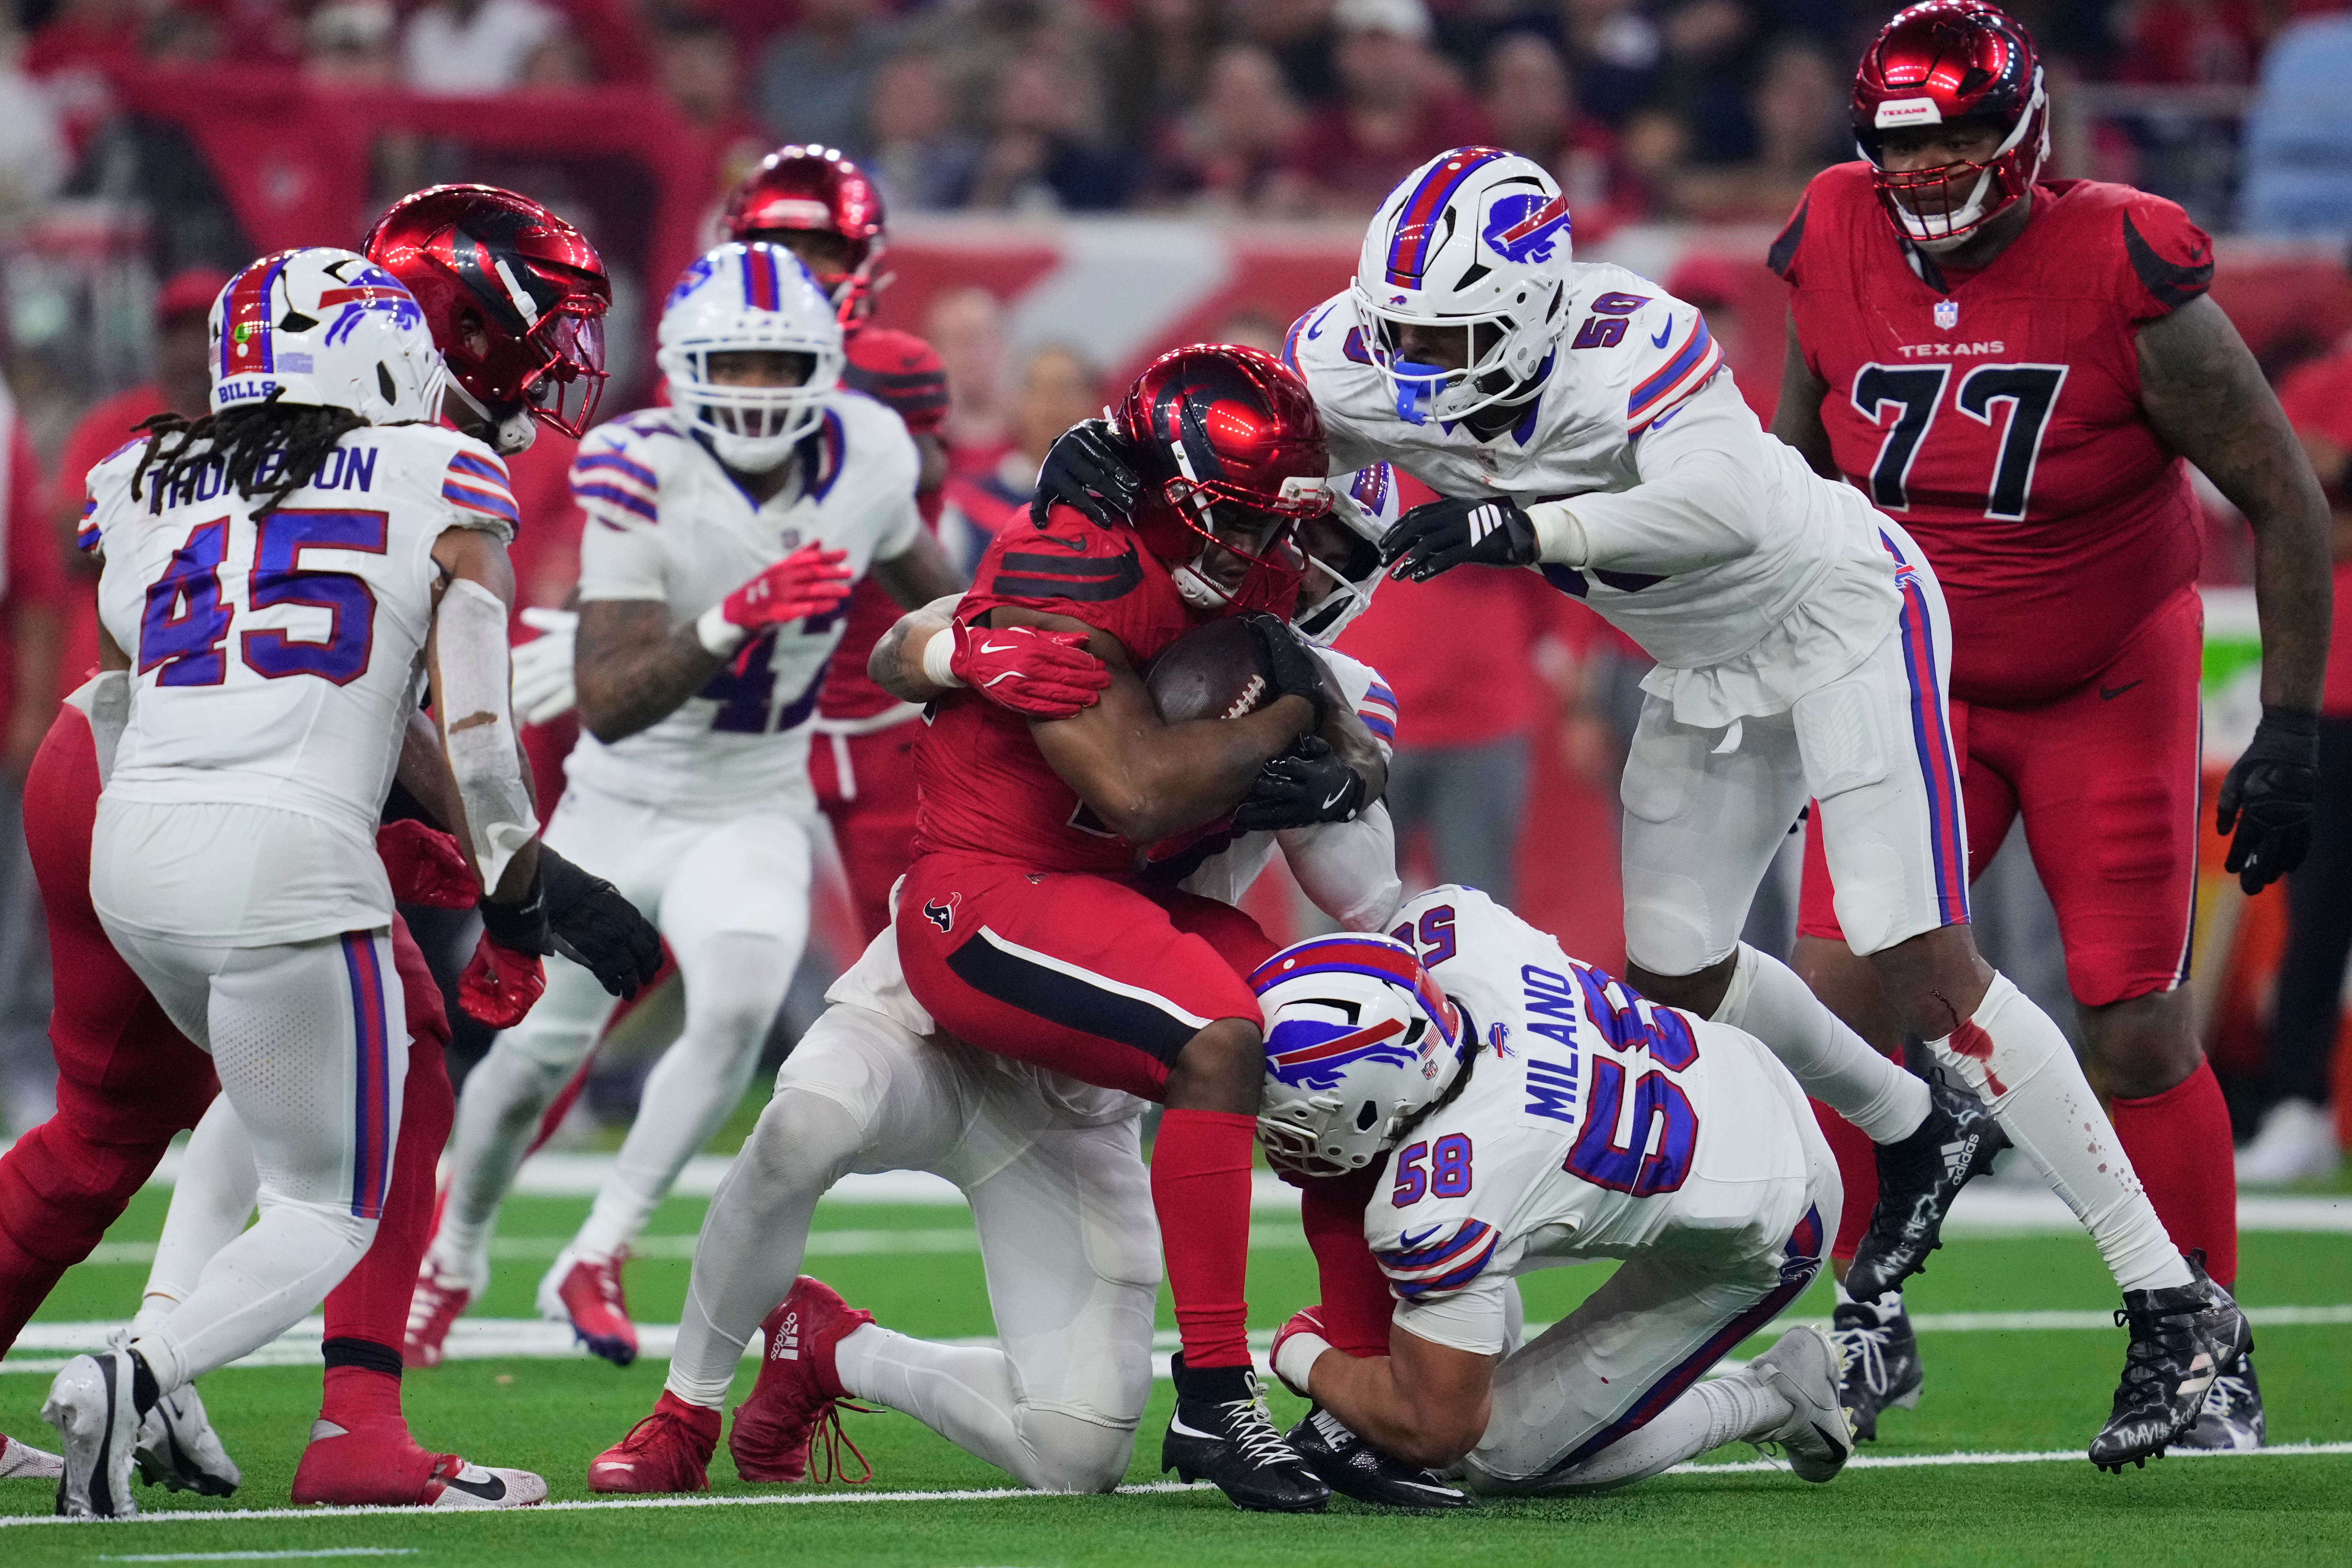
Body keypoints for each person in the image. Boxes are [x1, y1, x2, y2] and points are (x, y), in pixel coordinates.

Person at [1034, 142, 2247, 1470]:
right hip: (1695, 662)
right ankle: (1913, 1127)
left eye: (1445, 332)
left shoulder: (1629, 338)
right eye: (1399, 330)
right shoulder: (1366, 350)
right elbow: (1243, 417)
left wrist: (1524, 531)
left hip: (1838, 609)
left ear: (1526, 308)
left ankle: (2164, 1298)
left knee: (1926, 965)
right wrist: (1111, 446)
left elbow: (1724, 502)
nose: (1413, 365)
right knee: (1678, 981)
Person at [584, 476, 1426, 1504]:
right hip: (936, 1008)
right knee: (805, 1121)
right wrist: (957, 652)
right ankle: (685, 1407)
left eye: (1344, 548)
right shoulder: (1115, 587)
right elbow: (911, 642)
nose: (1310, 565)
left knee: (1077, 1455)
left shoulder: (1335, 689)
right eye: (1303, 535)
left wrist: (1349, 769)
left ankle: (833, 1351)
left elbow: (1362, 898)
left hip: (1082, 1086)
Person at [1770, 1, 2330, 1452]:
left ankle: (2201, 1339)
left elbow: (2283, 496)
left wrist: (2286, 728)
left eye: (1957, 129)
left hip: (2102, 678)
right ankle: (1850, 1318)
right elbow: (1785, 475)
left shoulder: (2119, 260)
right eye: (1904, 138)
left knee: (2129, 1024)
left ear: (2020, 127)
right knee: (1834, 996)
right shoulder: (1827, 234)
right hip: (1914, 682)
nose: (1931, 162)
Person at [85, 187, 658, 1511]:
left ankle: (207, 1377)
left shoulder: (146, 473)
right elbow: (475, 730)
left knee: (279, 1079)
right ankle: (148, 1367)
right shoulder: (443, 471)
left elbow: (124, 695)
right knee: (335, 1186)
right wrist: (523, 896)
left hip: (131, 834)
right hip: (290, 848)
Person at [409, 240, 964, 1369]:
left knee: (741, 1000)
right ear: (685, 369)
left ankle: (599, 1250)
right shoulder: (635, 464)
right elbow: (611, 706)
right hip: (621, 801)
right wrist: (738, 614)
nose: (758, 389)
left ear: (818, 368)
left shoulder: (866, 449)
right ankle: (452, 1256)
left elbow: (940, 590)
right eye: (736, 365)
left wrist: (991, 649)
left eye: (777, 365)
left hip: (755, 798)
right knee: (529, 1058)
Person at [890, 343, 1401, 1511]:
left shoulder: (1260, 561)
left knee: (1355, 1043)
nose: (1254, 547)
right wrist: (1284, 727)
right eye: (1227, 515)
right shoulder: (1070, 557)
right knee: (1219, 1036)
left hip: (1104, 895)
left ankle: (1361, 1387)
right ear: (1160, 485)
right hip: (980, 891)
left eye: (1268, 522)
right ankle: (1217, 1401)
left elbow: (1344, 726)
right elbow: (1140, 794)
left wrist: (1339, 760)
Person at [1254, 897, 1852, 1494]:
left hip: (1774, 1217)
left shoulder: (1449, 1193)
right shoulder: (1454, 928)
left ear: (1365, 1103)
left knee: (1494, 1455)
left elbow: (1433, 1429)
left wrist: (1300, 1353)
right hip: (1731, 1071)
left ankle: (1777, 1397)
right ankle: (1469, 1327)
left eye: (1286, 1115)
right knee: (1447, 1279)